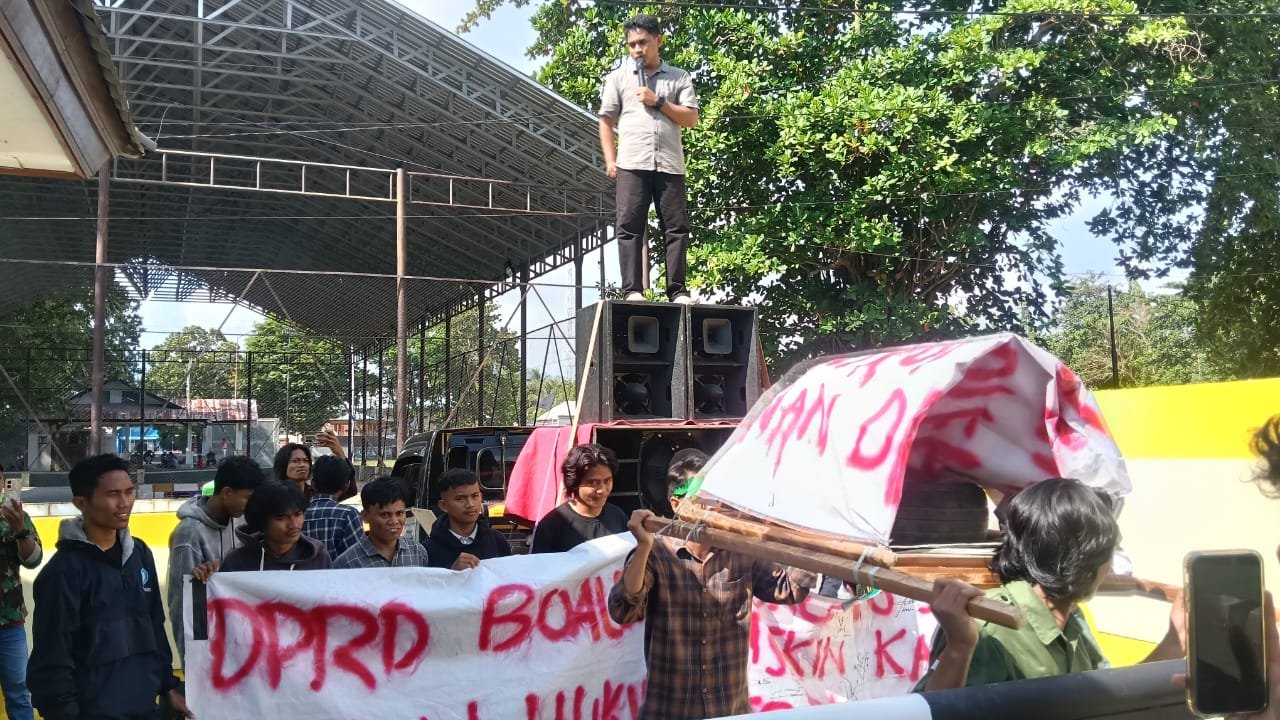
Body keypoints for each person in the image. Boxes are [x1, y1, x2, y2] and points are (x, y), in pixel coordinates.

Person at [918, 478, 1184, 691]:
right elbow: (934, 712)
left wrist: (1177, 637)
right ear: (1084, 562)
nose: (1111, 567)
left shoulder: (1071, 618)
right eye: (1108, 553)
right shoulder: (990, 630)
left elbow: (1111, 698)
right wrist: (960, 647)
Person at [609, 448, 815, 719]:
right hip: (670, 709)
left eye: (716, 499)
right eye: (702, 500)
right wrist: (644, 546)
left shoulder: (741, 550)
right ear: (676, 504)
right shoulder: (656, 552)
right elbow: (624, 610)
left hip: (728, 708)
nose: (713, 509)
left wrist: (809, 535)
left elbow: (789, 588)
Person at [27, 454, 192, 719]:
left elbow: (153, 626)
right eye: (113, 494)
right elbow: (53, 656)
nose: (124, 503)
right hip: (92, 711)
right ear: (81, 503)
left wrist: (168, 686)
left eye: (129, 492)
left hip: (145, 707)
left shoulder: (140, 553)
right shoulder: (62, 572)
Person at [598, 13, 699, 303]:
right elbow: (606, 121)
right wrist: (610, 160)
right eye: (631, 45)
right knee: (629, 226)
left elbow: (691, 118)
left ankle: (677, 291)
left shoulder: (679, 77)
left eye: (642, 42)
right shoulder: (618, 78)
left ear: (659, 40)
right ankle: (632, 290)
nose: (637, 50)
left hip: (670, 164)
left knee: (677, 228)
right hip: (632, 163)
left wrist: (659, 101)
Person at [167, 456, 265, 663]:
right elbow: (182, 603)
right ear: (227, 492)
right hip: (211, 646)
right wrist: (192, 664)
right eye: (247, 498)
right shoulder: (189, 534)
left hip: (242, 638)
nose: (252, 506)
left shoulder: (243, 522)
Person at [531, 444, 629, 554]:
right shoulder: (552, 526)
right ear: (574, 483)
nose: (602, 490)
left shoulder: (617, 516)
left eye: (607, 481)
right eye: (593, 483)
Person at [218, 481, 330, 572]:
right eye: (281, 517)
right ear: (261, 520)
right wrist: (206, 576)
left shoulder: (318, 557)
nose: (294, 525)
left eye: (298, 514)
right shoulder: (236, 562)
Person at [0, 471, 41, 720]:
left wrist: (18, 529)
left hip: (9, 623)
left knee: (18, 694)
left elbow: (34, 560)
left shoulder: (17, 517)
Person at [333, 476, 430, 569]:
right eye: (385, 515)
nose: (394, 521)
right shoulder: (347, 563)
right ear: (365, 516)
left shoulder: (418, 553)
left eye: (399, 513)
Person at [427, 469, 511, 570]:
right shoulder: (429, 549)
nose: (470, 504)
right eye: (460, 499)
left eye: (475, 496)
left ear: (481, 497)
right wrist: (451, 573)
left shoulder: (497, 541)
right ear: (444, 505)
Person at [302, 455, 362, 561]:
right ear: (346, 486)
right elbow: (357, 557)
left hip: (301, 576)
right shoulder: (349, 515)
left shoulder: (298, 514)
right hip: (339, 576)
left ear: (313, 484)